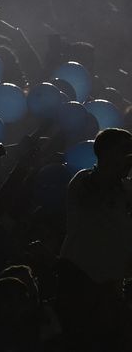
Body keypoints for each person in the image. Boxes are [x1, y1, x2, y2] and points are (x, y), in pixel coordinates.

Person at [57, 128, 132, 349]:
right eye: (125, 150)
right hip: (80, 278)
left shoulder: (126, 189)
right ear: (107, 152)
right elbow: (97, 191)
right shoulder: (83, 181)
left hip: (111, 284)